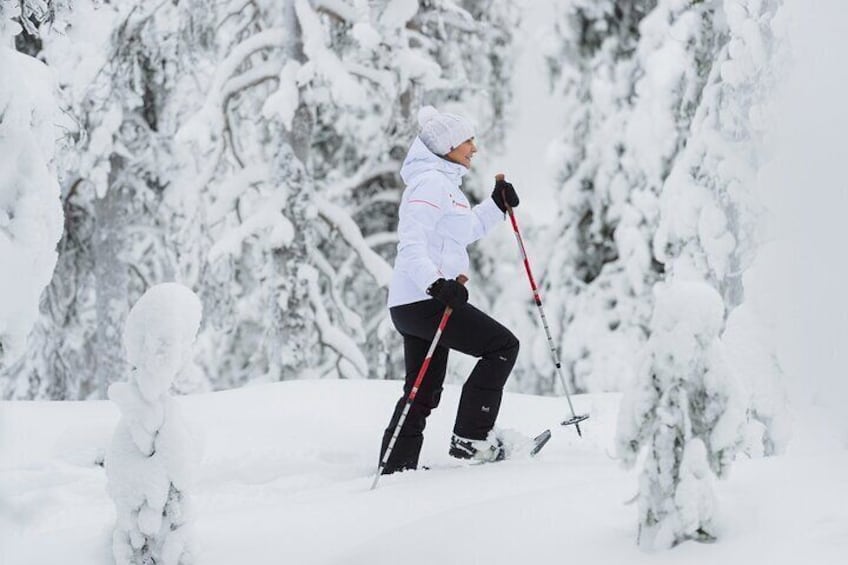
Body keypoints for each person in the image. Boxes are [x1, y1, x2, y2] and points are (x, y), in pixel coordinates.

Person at [379, 105, 521, 474]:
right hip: (426, 301)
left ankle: (396, 465)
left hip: (413, 304)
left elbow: (467, 229)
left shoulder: (444, 186)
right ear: (447, 146)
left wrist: (496, 205)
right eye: (467, 140)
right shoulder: (430, 185)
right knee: (502, 347)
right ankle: (471, 441)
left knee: (422, 390)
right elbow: (411, 244)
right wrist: (437, 284)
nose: (474, 147)